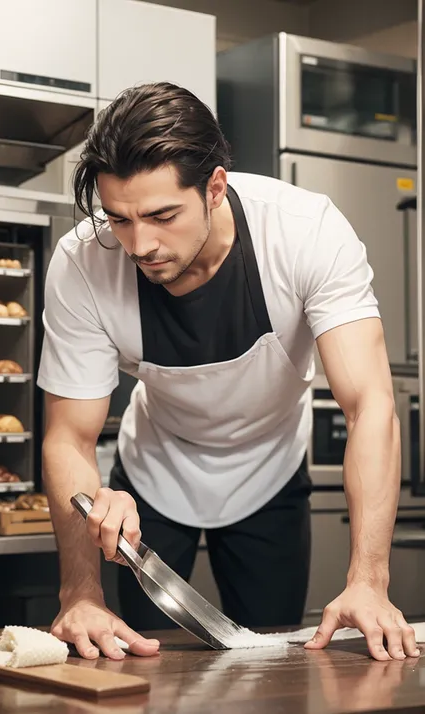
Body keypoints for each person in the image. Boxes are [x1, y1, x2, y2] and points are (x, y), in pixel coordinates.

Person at [37, 81, 419, 663]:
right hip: (154, 476)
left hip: (269, 473)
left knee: (273, 667)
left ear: (215, 186)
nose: (140, 244)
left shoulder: (303, 231)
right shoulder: (82, 262)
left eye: (163, 215)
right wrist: (80, 592)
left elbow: (370, 404)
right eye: (119, 218)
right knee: (142, 665)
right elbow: (69, 435)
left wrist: (369, 579)